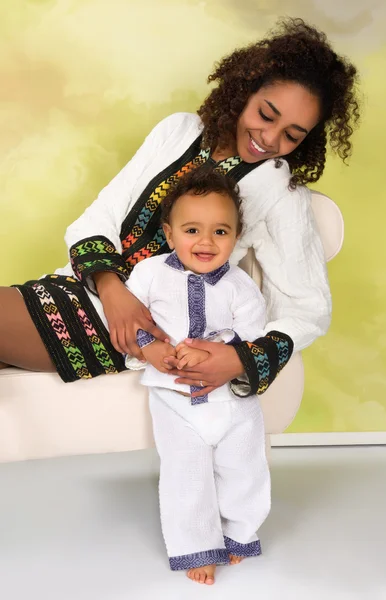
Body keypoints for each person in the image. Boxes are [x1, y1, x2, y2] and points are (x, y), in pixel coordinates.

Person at [0, 18, 359, 400]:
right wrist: (112, 290)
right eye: (266, 115)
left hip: (144, 334)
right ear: (244, 90)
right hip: (85, 287)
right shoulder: (178, 131)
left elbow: (308, 309)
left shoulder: (280, 193)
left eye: (291, 135)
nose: (270, 138)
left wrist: (240, 358)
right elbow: (101, 214)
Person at [124, 166, 273, 584]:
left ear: (236, 237)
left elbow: (252, 336)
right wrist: (152, 346)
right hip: (174, 398)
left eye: (220, 232)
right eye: (192, 230)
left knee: (245, 468)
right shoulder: (150, 274)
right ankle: (196, 548)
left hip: (233, 400)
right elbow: (135, 320)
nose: (205, 242)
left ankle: (240, 533)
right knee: (185, 473)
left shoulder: (241, 287)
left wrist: (223, 352)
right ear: (170, 235)